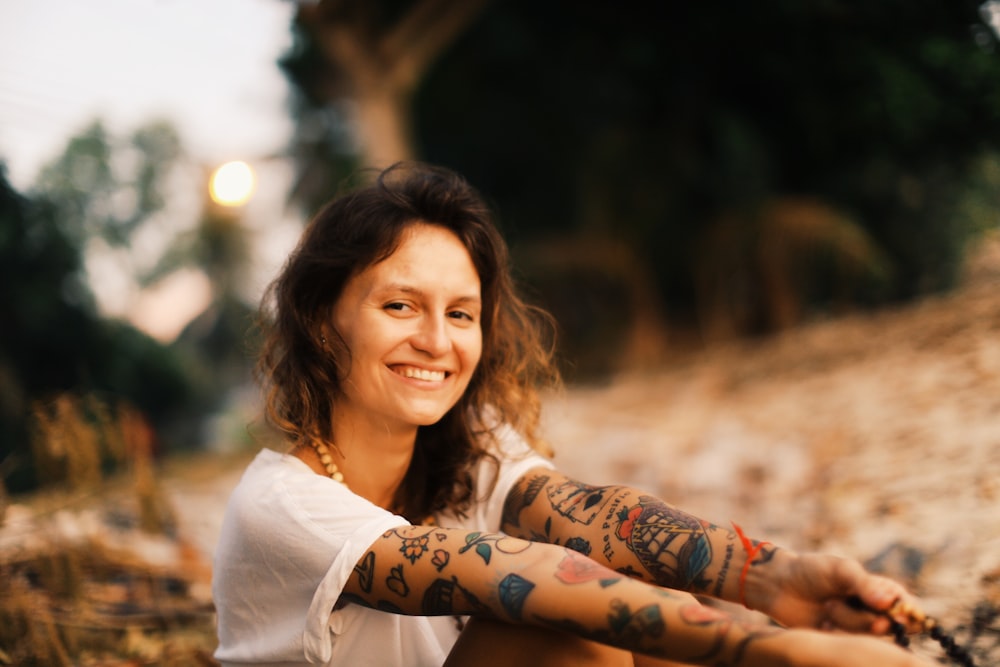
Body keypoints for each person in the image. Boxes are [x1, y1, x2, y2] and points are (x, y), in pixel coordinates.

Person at [212, 161, 935, 666]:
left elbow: (594, 516)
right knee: (563, 630)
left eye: (461, 313)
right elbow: (519, 575)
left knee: (636, 574)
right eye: (399, 305)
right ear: (319, 317)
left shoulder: (466, 443)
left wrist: (780, 577)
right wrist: (781, 651)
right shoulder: (280, 507)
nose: (436, 341)